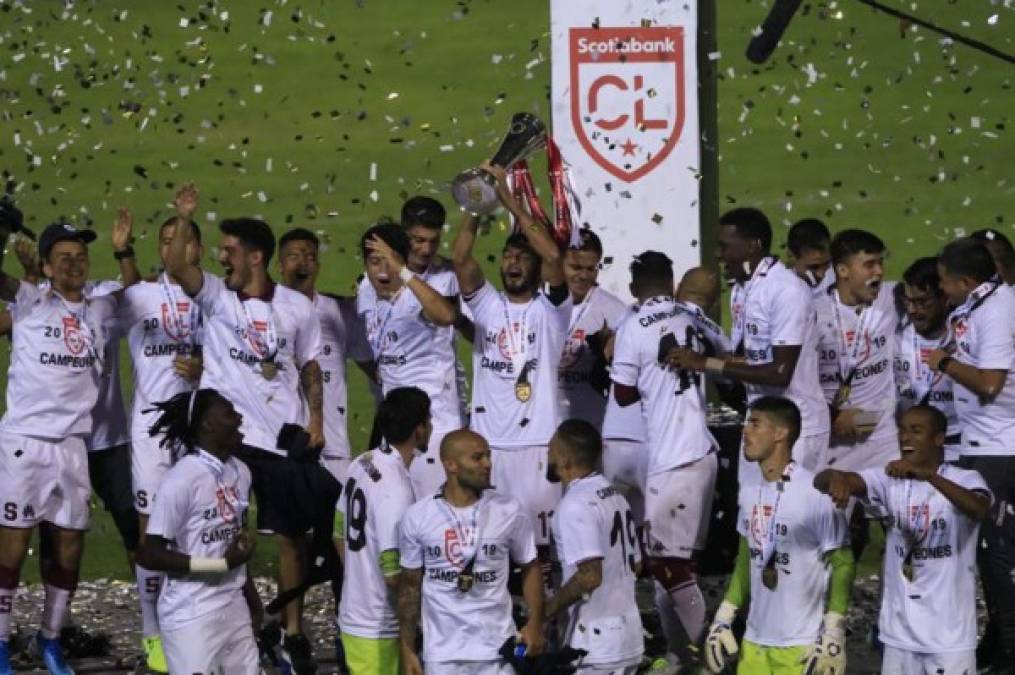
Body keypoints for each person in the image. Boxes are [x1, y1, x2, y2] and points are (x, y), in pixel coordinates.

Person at [163, 184, 332, 673]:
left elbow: (310, 364)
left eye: (230, 250)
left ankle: (293, 631)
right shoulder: (217, 297)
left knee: (292, 538)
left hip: (281, 440)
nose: (221, 258)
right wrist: (183, 215)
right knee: (224, 533)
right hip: (226, 446)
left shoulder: (297, 308)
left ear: (256, 257)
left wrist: (316, 418)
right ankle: (255, 621)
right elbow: (177, 267)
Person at [0, 213, 132, 675]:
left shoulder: (98, 310)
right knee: (13, 548)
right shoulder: (31, 302)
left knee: (70, 543)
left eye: (79, 256)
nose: (74, 264)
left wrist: (124, 251)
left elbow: (135, 294)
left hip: (73, 445)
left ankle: (49, 638)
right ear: (48, 267)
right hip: (26, 441)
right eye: (64, 258)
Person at [451, 163, 570, 572]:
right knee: (488, 549)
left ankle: (545, 629)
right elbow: (461, 257)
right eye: (508, 255)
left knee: (544, 553)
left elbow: (554, 253)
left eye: (522, 256)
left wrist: (507, 197)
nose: (513, 262)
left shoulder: (551, 311)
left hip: (539, 445)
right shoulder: (487, 306)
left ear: (534, 268)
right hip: (490, 449)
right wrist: (477, 200)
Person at [814, 405, 991, 675]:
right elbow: (824, 480)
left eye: (915, 431)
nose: (905, 437)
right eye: (902, 430)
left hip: (948, 640)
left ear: (939, 439)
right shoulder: (889, 480)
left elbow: (978, 509)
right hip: (898, 637)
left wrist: (930, 476)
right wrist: (835, 477)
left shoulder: (965, 478)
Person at [610, 252, 720, 668]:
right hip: (702, 452)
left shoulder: (631, 324)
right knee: (672, 565)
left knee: (666, 563)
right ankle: (681, 657)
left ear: (635, 290)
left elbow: (621, 394)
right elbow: (730, 355)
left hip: (674, 458)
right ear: (672, 284)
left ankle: (707, 652)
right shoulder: (694, 317)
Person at [671, 207, 828, 484]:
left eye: (725, 247)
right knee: (755, 515)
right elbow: (751, 359)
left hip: (796, 428)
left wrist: (706, 363)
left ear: (752, 246)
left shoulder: (786, 291)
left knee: (790, 518)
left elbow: (779, 372)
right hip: (758, 422)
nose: (719, 255)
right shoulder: (742, 289)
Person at [116, 203, 205, 672]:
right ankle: (152, 631)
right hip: (152, 432)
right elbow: (124, 297)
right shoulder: (142, 295)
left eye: (184, 240)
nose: (175, 248)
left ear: (199, 248)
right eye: (167, 240)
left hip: (200, 431)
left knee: (199, 524)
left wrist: (204, 369)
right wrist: (123, 251)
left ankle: (191, 619)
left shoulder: (213, 297)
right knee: (151, 530)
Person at [704, 397, 853, 675]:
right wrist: (724, 616)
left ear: (780, 433)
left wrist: (834, 632)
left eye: (755, 423)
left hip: (802, 648)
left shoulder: (815, 492)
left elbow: (843, 562)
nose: (745, 431)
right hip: (754, 643)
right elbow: (746, 558)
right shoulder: (749, 491)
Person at [929, 238, 1015, 670]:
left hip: (1001, 449)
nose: (941, 289)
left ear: (967, 281)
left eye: (945, 281)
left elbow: (989, 384)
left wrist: (943, 363)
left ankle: (1010, 650)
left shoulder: (998, 311)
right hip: (980, 443)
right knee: (986, 552)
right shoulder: (980, 305)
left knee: (999, 554)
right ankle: (998, 637)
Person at [397, 429, 545, 675]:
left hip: (498, 652)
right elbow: (409, 587)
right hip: (443, 656)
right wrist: (407, 648)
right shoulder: (418, 516)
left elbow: (531, 567)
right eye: (477, 458)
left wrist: (535, 622)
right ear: (451, 465)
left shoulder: (509, 510)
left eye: (488, 456)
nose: (487, 464)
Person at [137, 388, 260, 674]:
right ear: (207, 424)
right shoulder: (181, 480)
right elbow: (149, 554)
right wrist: (219, 565)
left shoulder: (240, 472)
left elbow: (235, 545)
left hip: (233, 605)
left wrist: (253, 603)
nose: (239, 417)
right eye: (229, 413)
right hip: (190, 613)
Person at [357, 221, 459, 499]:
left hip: (434, 425)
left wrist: (402, 270)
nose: (382, 270)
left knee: (431, 509)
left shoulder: (416, 300)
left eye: (389, 262)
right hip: (397, 427)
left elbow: (448, 316)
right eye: (374, 261)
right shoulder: (367, 294)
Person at [335, 387, 430, 675]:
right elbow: (393, 576)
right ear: (419, 430)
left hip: (354, 614)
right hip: (378, 631)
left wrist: (360, 577)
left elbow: (338, 533)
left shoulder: (362, 462)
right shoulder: (395, 490)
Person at [545, 419, 644, 674]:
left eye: (551, 450)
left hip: (596, 644)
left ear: (565, 460)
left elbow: (589, 577)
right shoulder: (615, 495)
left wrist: (547, 611)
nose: (547, 453)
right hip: (629, 635)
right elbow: (637, 564)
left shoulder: (576, 505)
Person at [279, 227, 373, 485]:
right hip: (281, 445)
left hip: (332, 446)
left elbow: (371, 366)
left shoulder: (338, 312)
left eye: (309, 256)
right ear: (280, 266)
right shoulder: (266, 313)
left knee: (335, 523)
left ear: (318, 265)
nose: (302, 262)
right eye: (294, 256)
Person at [815, 230, 900, 474]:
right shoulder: (813, 311)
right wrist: (833, 417)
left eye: (881, 263)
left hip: (881, 440)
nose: (879, 272)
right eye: (869, 265)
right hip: (829, 439)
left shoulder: (893, 297)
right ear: (843, 271)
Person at [557, 229, 627, 428]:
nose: (583, 275)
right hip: (545, 426)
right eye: (576, 267)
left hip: (593, 425)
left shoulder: (615, 311)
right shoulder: (540, 304)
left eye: (591, 268)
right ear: (560, 263)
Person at [894, 257, 960, 461]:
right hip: (907, 449)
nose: (913, 310)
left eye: (922, 302)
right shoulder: (896, 335)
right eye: (909, 301)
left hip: (958, 447)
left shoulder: (964, 338)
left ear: (944, 298)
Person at [786, 218, 834, 297]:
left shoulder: (843, 281)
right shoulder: (779, 290)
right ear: (792, 257)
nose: (821, 274)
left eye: (826, 264)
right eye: (814, 267)